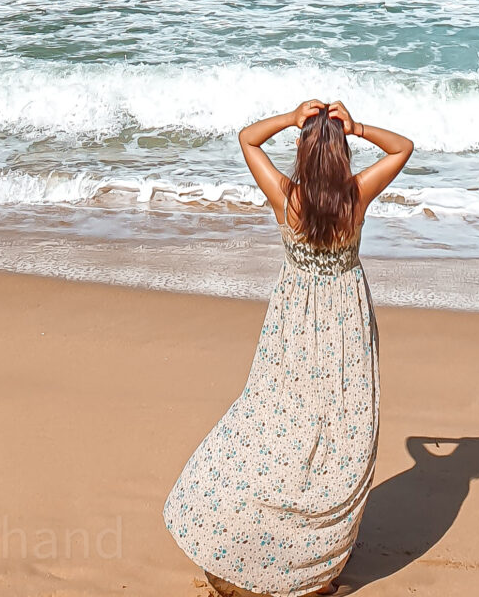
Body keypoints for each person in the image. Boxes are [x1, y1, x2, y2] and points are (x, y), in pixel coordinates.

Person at [164, 97, 414, 597]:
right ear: (342, 157)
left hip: (294, 321)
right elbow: (403, 147)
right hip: (345, 322)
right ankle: (306, 561)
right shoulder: (356, 196)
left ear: (302, 152)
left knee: (275, 420)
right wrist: (355, 126)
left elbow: (247, 139)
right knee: (339, 433)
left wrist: (293, 118)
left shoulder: (288, 197)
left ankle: (252, 546)